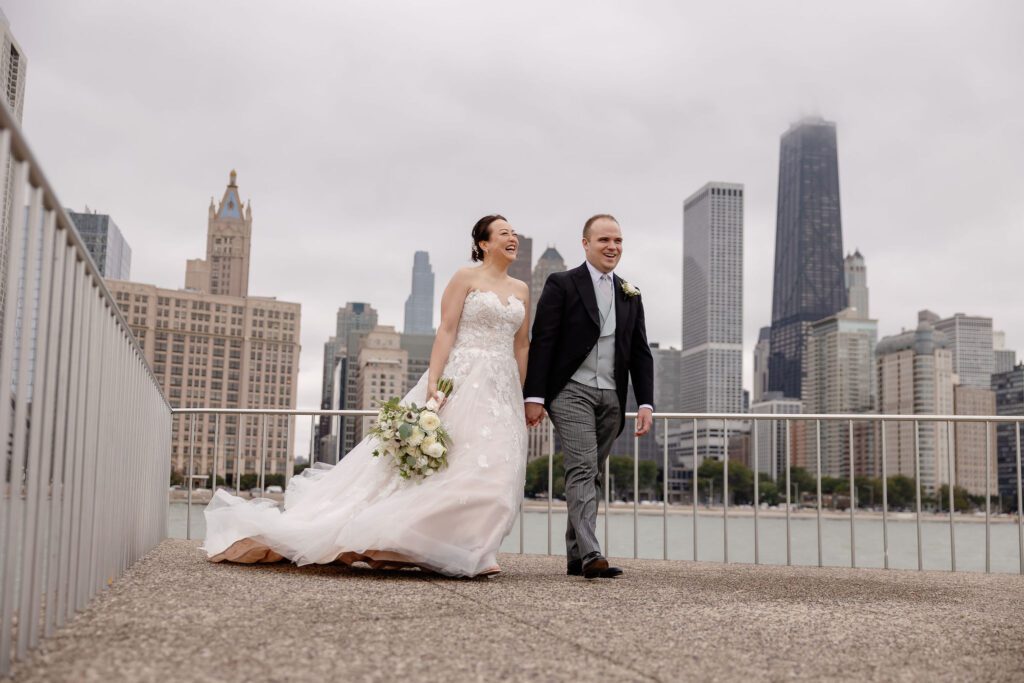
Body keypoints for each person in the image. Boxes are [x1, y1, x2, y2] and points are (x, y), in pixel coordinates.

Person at [202, 215, 530, 578]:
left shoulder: (521, 289)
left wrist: (522, 391)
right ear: (484, 244)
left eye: (513, 233)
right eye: (504, 233)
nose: (512, 237)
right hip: (462, 377)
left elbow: (522, 344)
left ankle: (478, 547)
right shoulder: (464, 278)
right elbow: (447, 330)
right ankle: (449, 547)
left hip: (502, 388)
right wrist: (434, 381)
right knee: (454, 464)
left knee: (497, 467)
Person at [524, 214, 654, 579]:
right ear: (586, 244)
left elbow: (641, 351)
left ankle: (574, 555)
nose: (612, 247)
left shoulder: (630, 293)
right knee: (582, 467)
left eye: (618, 241)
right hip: (570, 391)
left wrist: (645, 403)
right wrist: (534, 395)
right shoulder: (562, 284)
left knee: (592, 472)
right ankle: (592, 553)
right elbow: (544, 340)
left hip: (612, 396)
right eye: (604, 241)